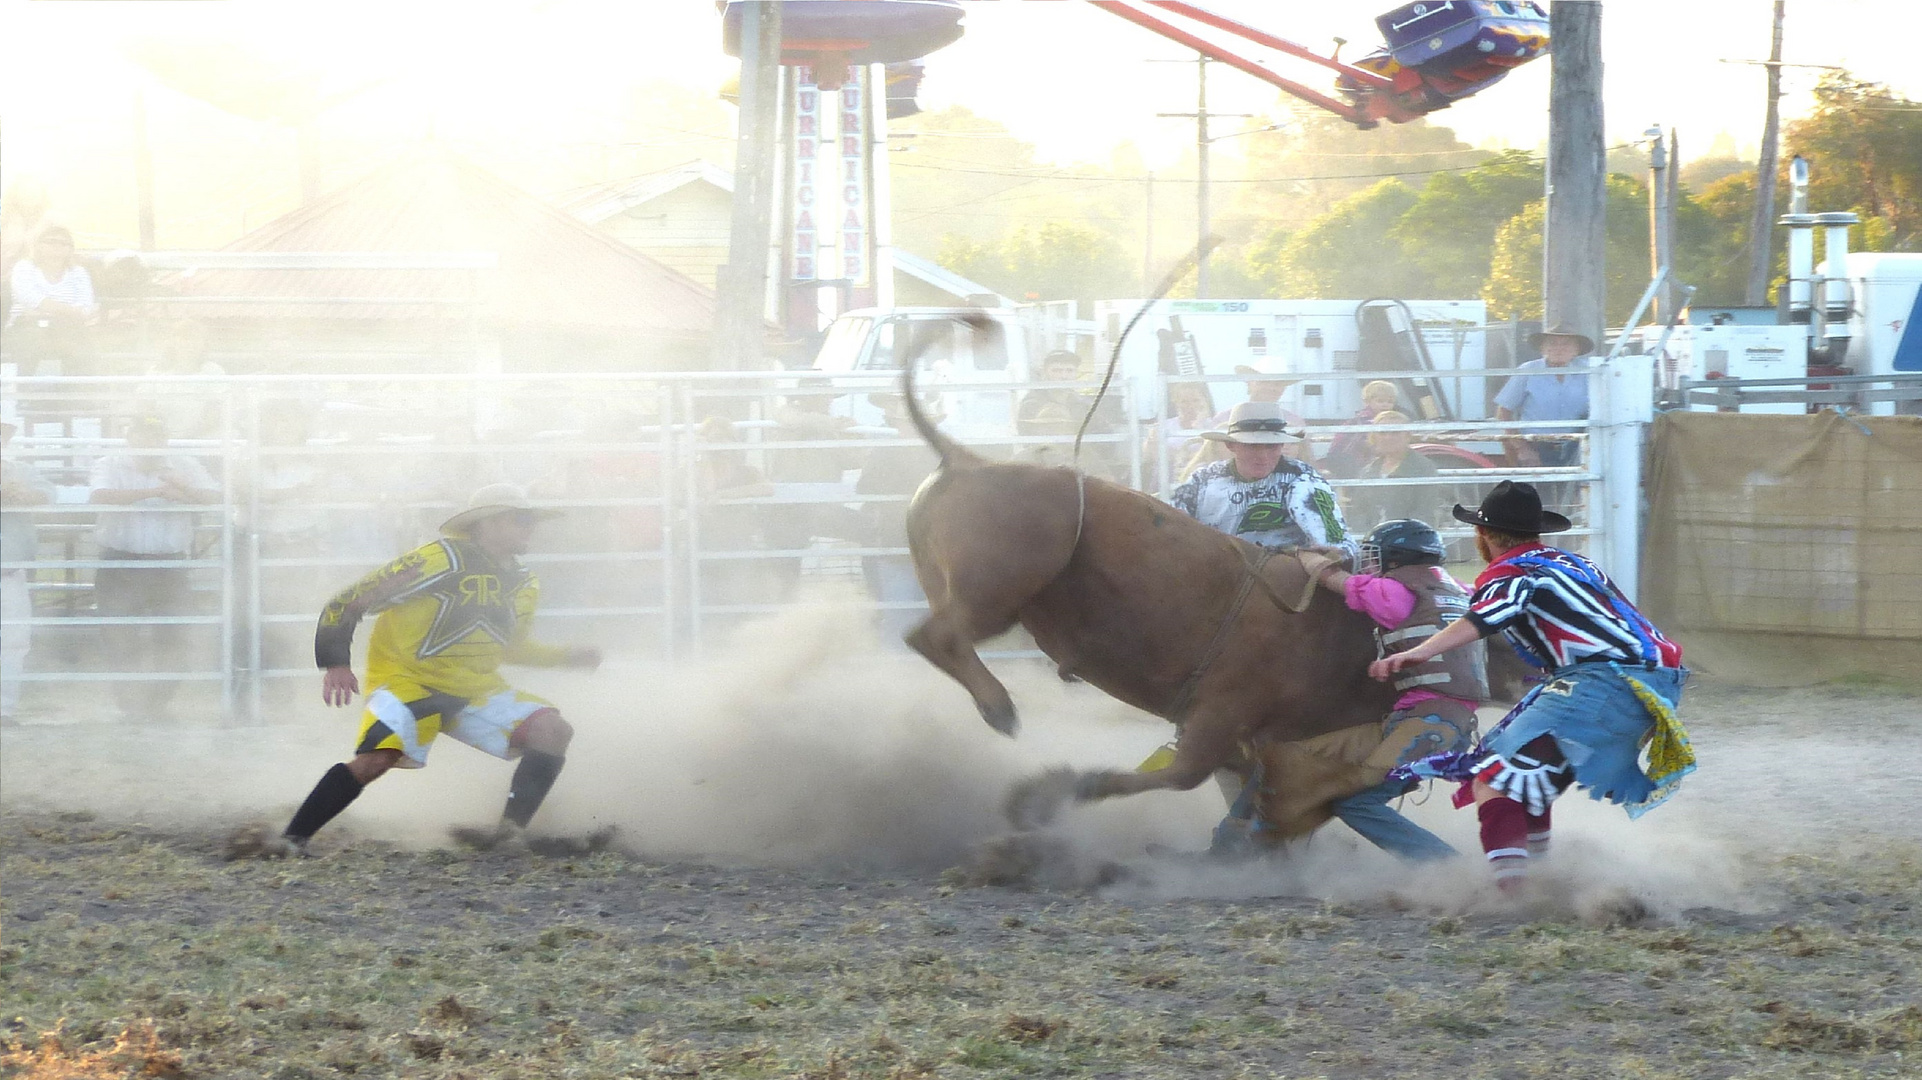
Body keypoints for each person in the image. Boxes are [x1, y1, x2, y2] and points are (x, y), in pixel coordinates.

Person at [1373, 481, 1693, 894]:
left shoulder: (1513, 571)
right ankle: (1539, 878)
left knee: (1494, 779)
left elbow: (1488, 618)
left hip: (1604, 682)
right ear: (1537, 532)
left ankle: (1513, 894)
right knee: (1528, 784)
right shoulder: (1575, 564)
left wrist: (1418, 652)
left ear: (1483, 536)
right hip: (1650, 681)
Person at [260, 485, 604, 857]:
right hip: (407, 682)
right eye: (522, 519)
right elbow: (345, 603)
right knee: (376, 759)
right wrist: (336, 662)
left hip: (476, 687)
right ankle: (290, 840)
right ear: (488, 523)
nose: (531, 527)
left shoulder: (523, 581)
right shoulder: (436, 560)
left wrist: (565, 657)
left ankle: (508, 836)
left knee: (552, 731)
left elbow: (509, 647)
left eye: (531, 519)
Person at [1292, 519, 1488, 861]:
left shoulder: (1393, 591)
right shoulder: (1458, 590)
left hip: (1427, 721)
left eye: (1374, 557)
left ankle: (1446, 867)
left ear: (1395, 560)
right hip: (1441, 721)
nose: (1370, 564)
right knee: (1303, 762)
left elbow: (1331, 579)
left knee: (1356, 802)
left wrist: (1306, 557)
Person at [88, 415, 221, 718]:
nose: (148, 442)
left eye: (154, 436)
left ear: (164, 438)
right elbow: (100, 497)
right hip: (119, 561)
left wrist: (182, 490)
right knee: (119, 636)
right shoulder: (110, 463)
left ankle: (157, 702)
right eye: (141, 435)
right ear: (130, 438)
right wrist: (153, 493)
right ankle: (131, 704)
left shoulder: (183, 465)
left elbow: (215, 497)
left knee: (174, 635)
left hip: (168, 564)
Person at [1168, 401, 1357, 564]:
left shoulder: (1302, 480)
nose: (1263, 456)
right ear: (1230, 445)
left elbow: (1339, 548)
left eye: (1271, 446)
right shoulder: (1201, 481)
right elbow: (1172, 534)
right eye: (1252, 446)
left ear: (1282, 445)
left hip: (1281, 587)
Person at [1, 419, 55, 720]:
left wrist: (24, 495)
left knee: (14, 640)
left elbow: (48, 495)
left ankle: (3, 710)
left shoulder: (19, 472)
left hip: (9, 570)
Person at [1494, 326, 1592, 470]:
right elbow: (1503, 412)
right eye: (1552, 343)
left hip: (1578, 446)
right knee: (1535, 491)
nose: (1559, 348)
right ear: (1542, 348)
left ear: (1576, 350)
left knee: (1581, 490)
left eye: (1566, 343)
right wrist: (1522, 449)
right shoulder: (1528, 370)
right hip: (1535, 446)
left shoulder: (1589, 370)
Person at [5, 225, 96, 375]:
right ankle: (26, 394)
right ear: (38, 245)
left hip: (68, 330)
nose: (57, 246)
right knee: (32, 339)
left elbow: (86, 308)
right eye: (51, 241)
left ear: (70, 249)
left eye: (64, 243)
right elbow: (30, 298)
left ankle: (74, 393)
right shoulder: (24, 268)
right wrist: (69, 311)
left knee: (80, 345)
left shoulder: (79, 273)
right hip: (25, 328)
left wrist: (46, 311)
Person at [1346, 410, 1442, 530]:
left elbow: (1425, 512)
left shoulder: (1423, 467)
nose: (1388, 437)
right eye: (1383, 433)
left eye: (1395, 432)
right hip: (1371, 543)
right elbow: (1358, 512)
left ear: (1407, 436)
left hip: (1407, 541)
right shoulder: (1368, 471)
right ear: (1374, 437)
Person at [1322, 380, 1402, 478]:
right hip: (1344, 458)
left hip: (1354, 458)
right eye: (1380, 401)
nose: (1385, 405)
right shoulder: (1366, 420)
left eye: (1390, 402)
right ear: (1367, 402)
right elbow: (1368, 444)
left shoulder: (1381, 419)